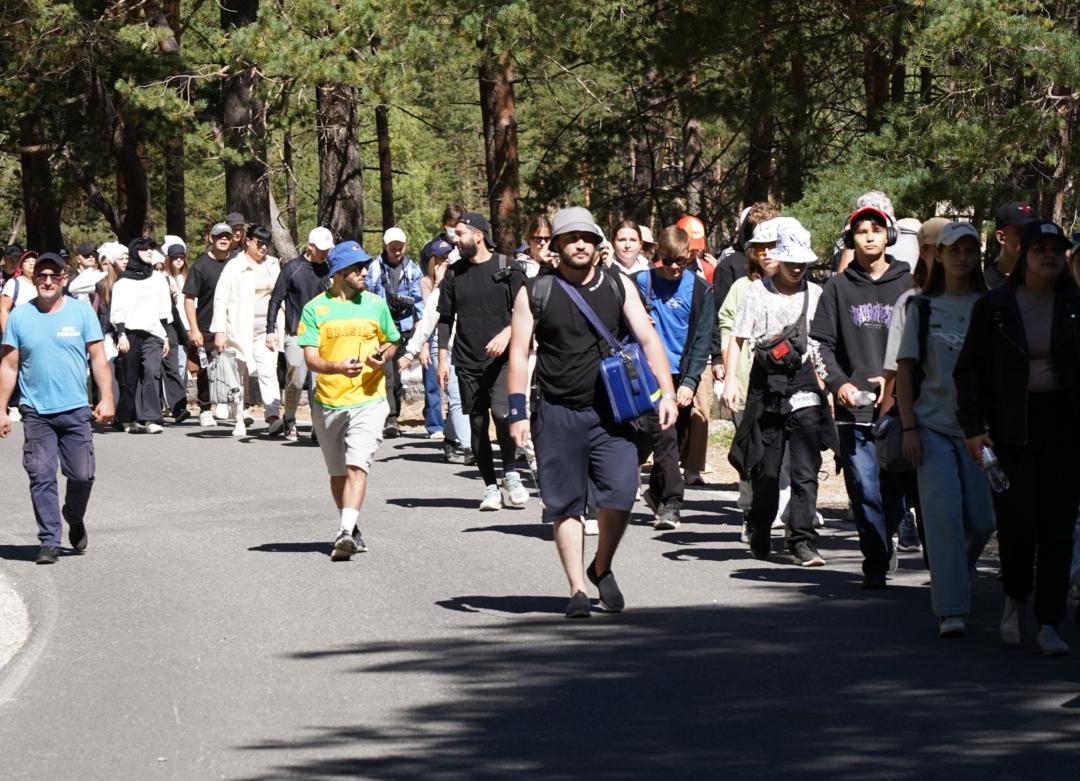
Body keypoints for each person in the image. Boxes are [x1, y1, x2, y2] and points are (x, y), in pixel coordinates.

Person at [507, 206, 678, 618]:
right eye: (570, 239)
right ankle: (577, 589)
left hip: (612, 414)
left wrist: (667, 393)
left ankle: (601, 566)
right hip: (557, 412)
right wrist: (517, 412)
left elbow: (649, 339)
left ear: (597, 245)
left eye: (586, 238)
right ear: (556, 246)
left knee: (620, 494)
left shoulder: (618, 285)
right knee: (564, 504)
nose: (579, 244)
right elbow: (518, 354)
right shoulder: (536, 291)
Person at [955, 219, 1080, 655]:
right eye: (1039, 249)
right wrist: (974, 430)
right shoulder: (995, 306)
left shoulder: (1074, 304)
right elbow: (968, 372)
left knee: (1059, 526)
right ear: (1023, 256)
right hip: (1011, 427)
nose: (1049, 256)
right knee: (1019, 521)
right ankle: (1014, 601)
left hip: (1065, 427)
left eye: (1056, 249)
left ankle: (1049, 621)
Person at [894, 221, 993, 638]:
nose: (963, 258)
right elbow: (904, 372)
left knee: (983, 519)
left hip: (980, 431)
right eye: (954, 251)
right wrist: (909, 428)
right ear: (939, 256)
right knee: (942, 518)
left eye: (970, 250)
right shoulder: (922, 307)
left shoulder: (992, 306)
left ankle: (959, 570)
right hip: (931, 427)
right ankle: (951, 607)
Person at [810, 205, 912, 589]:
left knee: (896, 489)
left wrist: (898, 382)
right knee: (864, 486)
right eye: (860, 231)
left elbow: (920, 345)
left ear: (888, 236)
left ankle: (886, 539)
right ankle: (876, 560)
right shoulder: (838, 287)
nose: (869, 236)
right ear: (850, 239)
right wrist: (841, 385)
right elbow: (821, 343)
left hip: (900, 409)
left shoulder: (908, 284)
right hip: (854, 409)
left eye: (876, 229)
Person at [725, 218, 833, 566]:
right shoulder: (757, 292)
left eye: (803, 263)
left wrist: (826, 385)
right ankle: (759, 524)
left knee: (805, 467)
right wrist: (730, 379)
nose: (798, 268)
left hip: (804, 385)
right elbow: (738, 337)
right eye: (791, 262)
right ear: (779, 259)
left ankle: (802, 539)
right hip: (765, 386)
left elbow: (823, 345)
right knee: (767, 469)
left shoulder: (816, 294)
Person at [0, 252, 114, 564]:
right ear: (34, 279)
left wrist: (106, 397)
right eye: (42, 276)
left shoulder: (80, 312)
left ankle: (73, 517)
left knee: (82, 475)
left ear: (64, 279)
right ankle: (49, 540)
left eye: (54, 276)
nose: (47, 281)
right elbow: (9, 366)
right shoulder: (20, 317)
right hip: (36, 411)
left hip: (76, 409)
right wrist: (0, 408)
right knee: (41, 475)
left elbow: (98, 358)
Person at [298, 241, 399, 561]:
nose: (365, 272)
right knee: (338, 472)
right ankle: (351, 526)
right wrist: (337, 366)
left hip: (369, 399)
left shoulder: (375, 304)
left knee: (357, 465)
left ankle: (343, 531)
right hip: (328, 401)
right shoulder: (316, 309)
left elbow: (392, 341)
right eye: (358, 268)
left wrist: (381, 357)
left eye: (365, 267)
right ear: (340, 273)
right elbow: (311, 359)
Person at [437, 211, 529, 510]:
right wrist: (442, 358)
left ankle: (511, 473)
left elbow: (527, 311)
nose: (455, 239)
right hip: (467, 360)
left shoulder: (508, 267)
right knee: (477, 424)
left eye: (460, 233)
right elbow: (445, 319)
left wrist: (507, 333)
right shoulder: (453, 273)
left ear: (478, 235)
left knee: (503, 416)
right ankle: (490, 486)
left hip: (503, 361)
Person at [634, 225, 715, 530]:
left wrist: (691, 382)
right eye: (667, 261)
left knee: (676, 439)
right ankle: (672, 503)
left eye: (680, 261)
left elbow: (702, 339)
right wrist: (637, 315)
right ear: (657, 257)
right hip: (650, 373)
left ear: (689, 256)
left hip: (681, 372)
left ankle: (656, 492)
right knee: (663, 436)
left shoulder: (699, 289)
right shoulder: (641, 283)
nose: (673, 268)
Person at [880, 216, 950, 555]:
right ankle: (943, 578)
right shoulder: (910, 302)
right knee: (927, 500)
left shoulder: (981, 300)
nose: (955, 257)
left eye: (962, 249)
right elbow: (896, 368)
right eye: (942, 249)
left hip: (967, 418)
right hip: (922, 417)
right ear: (925, 252)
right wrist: (892, 418)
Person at [399, 238, 472, 462]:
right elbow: (432, 314)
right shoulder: (430, 282)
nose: (445, 262)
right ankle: (471, 447)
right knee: (456, 397)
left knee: (465, 398)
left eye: (448, 258)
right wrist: (413, 350)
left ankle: (450, 437)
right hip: (441, 344)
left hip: (468, 345)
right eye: (440, 259)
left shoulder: (469, 279)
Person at [211, 225, 283, 437]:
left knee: (268, 371)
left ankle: (272, 416)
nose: (263, 248)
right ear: (248, 241)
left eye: (267, 244)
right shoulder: (234, 266)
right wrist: (220, 331)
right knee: (238, 375)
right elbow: (220, 299)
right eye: (259, 243)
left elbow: (280, 294)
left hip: (267, 330)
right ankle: (239, 417)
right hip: (239, 329)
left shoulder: (272, 264)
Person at [267, 226, 332, 441]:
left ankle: (317, 425)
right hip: (296, 333)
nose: (325, 253)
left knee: (319, 382)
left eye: (327, 249)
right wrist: (270, 330)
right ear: (310, 246)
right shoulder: (292, 268)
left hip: (323, 336)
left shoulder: (331, 269)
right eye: (321, 249)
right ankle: (290, 418)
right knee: (295, 380)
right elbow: (276, 299)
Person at [110, 237, 172, 434]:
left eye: (151, 249)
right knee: (130, 377)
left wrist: (166, 336)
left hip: (154, 333)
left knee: (151, 370)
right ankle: (126, 418)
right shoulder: (124, 281)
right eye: (144, 249)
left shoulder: (159, 279)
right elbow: (117, 309)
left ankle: (151, 418)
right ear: (135, 252)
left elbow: (164, 309)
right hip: (129, 332)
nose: (148, 252)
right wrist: (121, 335)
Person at [368, 227, 423, 439]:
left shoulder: (412, 270)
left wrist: (419, 321)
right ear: (385, 246)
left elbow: (418, 298)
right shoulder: (374, 269)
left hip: (405, 326)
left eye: (400, 248)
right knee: (388, 373)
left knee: (399, 375)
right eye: (392, 248)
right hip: (383, 330)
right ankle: (390, 417)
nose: (397, 252)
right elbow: (370, 295)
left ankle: (394, 414)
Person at [184, 222, 234, 427]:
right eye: (219, 236)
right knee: (206, 369)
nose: (224, 239)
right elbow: (188, 299)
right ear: (211, 239)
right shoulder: (200, 265)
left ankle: (230, 404)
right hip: (206, 326)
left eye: (228, 236)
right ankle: (205, 408)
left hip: (232, 325)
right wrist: (194, 329)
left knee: (233, 367)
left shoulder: (236, 263)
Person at [159, 242, 191, 423]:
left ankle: (179, 403)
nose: (179, 261)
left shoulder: (188, 276)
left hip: (187, 325)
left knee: (183, 365)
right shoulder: (163, 278)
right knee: (173, 365)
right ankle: (173, 405)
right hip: (171, 324)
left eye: (181, 257)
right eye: (175, 258)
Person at [984, 201, 1037, 289]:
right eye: (1021, 232)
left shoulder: (1045, 281)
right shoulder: (985, 287)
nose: (1030, 238)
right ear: (1001, 237)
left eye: (1033, 231)